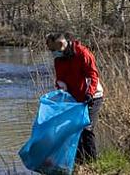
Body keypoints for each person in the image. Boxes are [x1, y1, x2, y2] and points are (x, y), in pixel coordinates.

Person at [46, 32, 104, 163]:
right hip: (74, 99)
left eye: (52, 49)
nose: (51, 52)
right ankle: (79, 163)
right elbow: (61, 80)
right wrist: (61, 94)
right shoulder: (58, 59)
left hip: (93, 96)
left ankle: (93, 164)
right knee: (73, 130)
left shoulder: (83, 53)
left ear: (61, 44)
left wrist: (90, 93)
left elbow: (93, 75)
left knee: (86, 128)